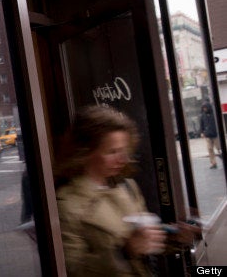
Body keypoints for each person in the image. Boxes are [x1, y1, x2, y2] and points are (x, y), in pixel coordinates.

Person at [55, 105, 199, 277]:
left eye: (124, 151)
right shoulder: (66, 204)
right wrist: (123, 252)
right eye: (113, 151)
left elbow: (143, 240)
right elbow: (73, 269)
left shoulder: (127, 187)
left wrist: (174, 237)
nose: (123, 159)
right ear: (85, 152)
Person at [199, 100, 220, 169]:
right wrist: (202, 132)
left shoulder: (214, 114)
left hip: (215, 134)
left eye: (205, 108)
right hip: (208, 135)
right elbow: (201, 125)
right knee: (210, 149)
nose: (204, 109)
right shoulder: (202, 116)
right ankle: (213, 163)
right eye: (203, 108)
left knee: (219, 148)